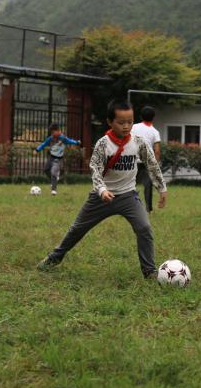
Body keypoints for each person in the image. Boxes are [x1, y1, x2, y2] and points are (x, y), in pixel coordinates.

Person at [37, 101, 167, 278]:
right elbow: (95, 169)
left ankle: (150, 271)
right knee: (77, 229)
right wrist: (102, 190)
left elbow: (152, 164)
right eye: (121, 122)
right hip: (101, 197)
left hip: (129, 196)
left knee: (144, 227)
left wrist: (161, 187)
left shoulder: (139, 142)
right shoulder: (103, 144)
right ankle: (54, 258)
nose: (126, 126)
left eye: (130, 121)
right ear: (110, 122)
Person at [131, 106, 162, 214]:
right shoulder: (155, 131)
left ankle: (129, 207)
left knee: (129, 184)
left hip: (133, 160)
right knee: (148, 185)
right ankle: (148, 209)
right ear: (153, 118)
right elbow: (157, 151)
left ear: (141, 116)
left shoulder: (134, 127)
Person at [34, 124, 80, 196]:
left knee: (53, 172)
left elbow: (70, 141)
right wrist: (37, 150)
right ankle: (53, 181)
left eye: (53, 132)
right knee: (46, 170)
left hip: (58, 159)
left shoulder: (63, 138)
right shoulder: (51, 138)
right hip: (51, 157)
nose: (52, 134)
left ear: (58, 131)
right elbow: (43, 144)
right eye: (51, 133)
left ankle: (53, 190)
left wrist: (77, 142)